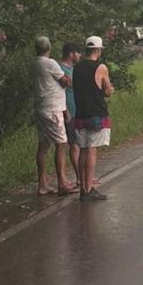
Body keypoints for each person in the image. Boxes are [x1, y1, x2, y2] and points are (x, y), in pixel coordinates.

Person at [73, 35, 114, 201]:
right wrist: (111, 89)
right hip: (96, 113)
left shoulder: (77, 67)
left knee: (82, 150)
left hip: (80, 113)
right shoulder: (101, 67)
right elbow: (107, 90)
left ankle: (83, 187)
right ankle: (89, 188)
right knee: (91, 150)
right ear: (98, 50)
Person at [33, 36, 71, 196]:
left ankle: (42, 183)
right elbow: (65, 82)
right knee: (61, 143)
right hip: (53, 109)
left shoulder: (35, 63)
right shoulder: (50, 63)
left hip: (41, 107)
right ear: (49, 47)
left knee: (43, 145)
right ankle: (62, 181)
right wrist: (69, 77)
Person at [59, 41, 82, 190]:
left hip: (77, 111)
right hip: (68, 112)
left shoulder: (73, 69)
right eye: (77, 53)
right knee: (74, 145)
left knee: (78, 144)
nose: (79, 56)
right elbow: (60, 92)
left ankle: (83, 176)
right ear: (71, 54)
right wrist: (66, 111)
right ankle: (80, 178)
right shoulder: (60, 69)